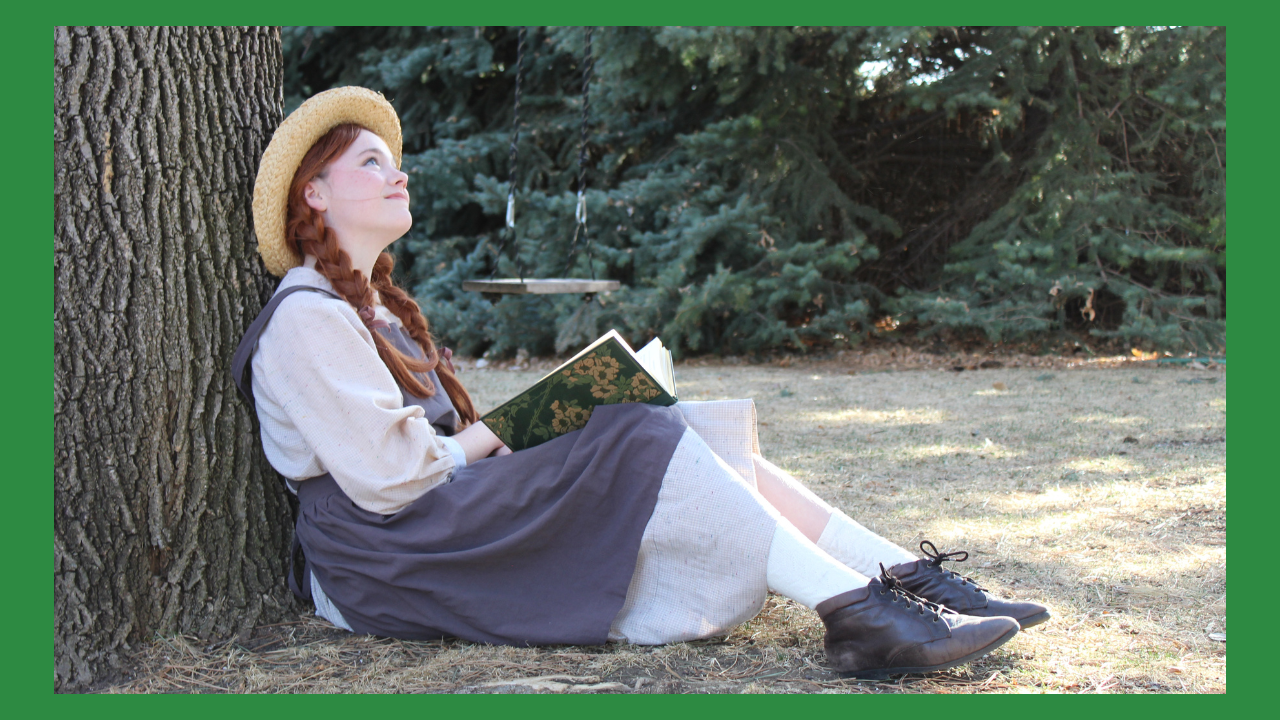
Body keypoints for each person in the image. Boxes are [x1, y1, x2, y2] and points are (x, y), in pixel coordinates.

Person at [233, 87, 1049, 680]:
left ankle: (901, 579)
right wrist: (529, 420)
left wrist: (555, 407)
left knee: (678, 422)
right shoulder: (307, 315)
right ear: (315, 193)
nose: (397, 174)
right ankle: (859, 618)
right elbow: (390, 481)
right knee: (633, 432)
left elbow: (432, 457)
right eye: (372, 163)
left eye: (395, 163)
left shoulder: (371, 307)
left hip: (424, 526)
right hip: (383, 557)